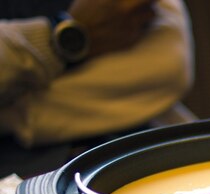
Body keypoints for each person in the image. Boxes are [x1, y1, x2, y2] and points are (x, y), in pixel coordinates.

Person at [0, 0, 195, 176]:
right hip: (20, 181)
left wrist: (10, 98)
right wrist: (64, 34)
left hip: (153, 144)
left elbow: (167, 62)